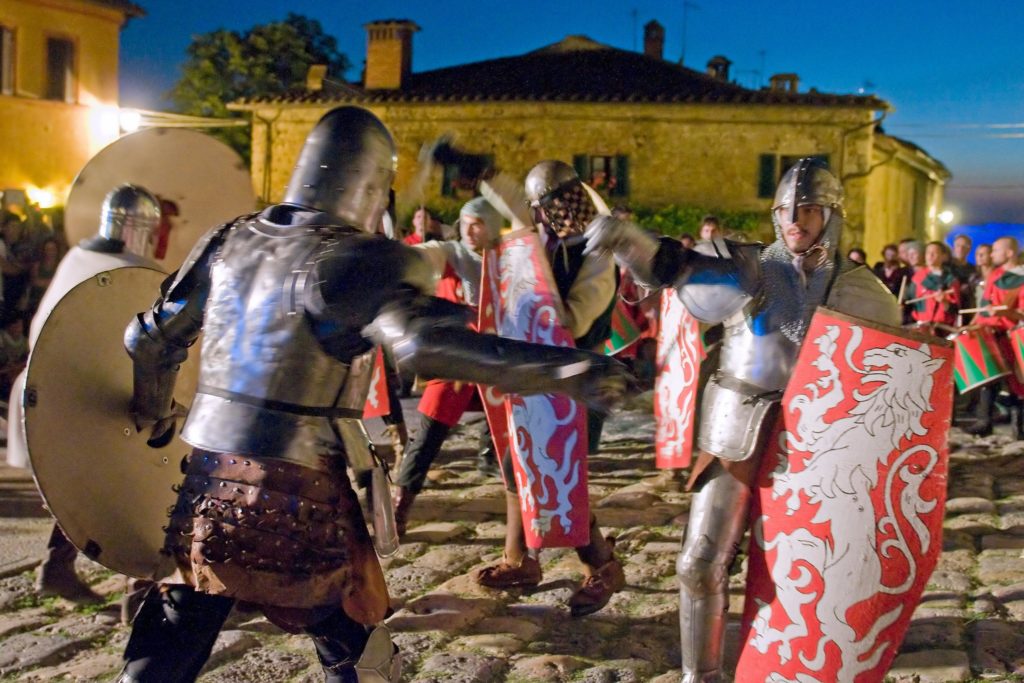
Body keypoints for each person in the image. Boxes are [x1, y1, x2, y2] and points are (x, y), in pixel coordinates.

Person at [117, 107, 627, 682]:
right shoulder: (354, 257)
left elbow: (150, 340)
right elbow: (426, 348)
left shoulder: (230, 239)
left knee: (175, 631)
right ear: (372, 184)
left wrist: (155, 417)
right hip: (297, 492)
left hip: (207, 482)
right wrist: (567, 371)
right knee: (355, 645)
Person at [585, 158, 900, 682]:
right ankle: (701, 675)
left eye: (809, 209)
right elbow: (670, 265)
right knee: (699, 562)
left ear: (831, 216)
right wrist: (625, 239)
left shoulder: (863, 290)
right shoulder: (747, 266)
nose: (795, 220)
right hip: (738, 425)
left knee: (817, 568)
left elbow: (887, 375)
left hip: (822, 438)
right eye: (786, 210)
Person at [472, 159, 625, 618]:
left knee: (557, 476)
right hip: (536, 372)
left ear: (569, 202)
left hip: (579, 377)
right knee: (517, 463)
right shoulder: (544, 240)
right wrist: (476, 168)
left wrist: (533, 291)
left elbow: (573, 318)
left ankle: (602, 565)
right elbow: (513, 207)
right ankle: (520, 559)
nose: (540, 216)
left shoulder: (597, 250)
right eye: (537, 208)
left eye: (548, 206)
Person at [12, 185, 160, 606]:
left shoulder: (77, 256)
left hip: (45, 393)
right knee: (139, 486)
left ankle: (56, 568)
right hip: (84, 403)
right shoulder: (134, 274)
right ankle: (139, 589)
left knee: (80, 490)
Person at [392, 197, 505, 535]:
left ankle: (496, 466)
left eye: (478, 224)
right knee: (427, 433)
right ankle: (400, 505)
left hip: (496, 356)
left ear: (492, 227)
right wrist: (399, 257)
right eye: (466, 223)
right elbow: (426, 254)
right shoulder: (451, 253)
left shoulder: (509, 261)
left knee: (511, 420)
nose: (470, 231)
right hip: (455, 358)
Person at [965, 236, 1024, 437]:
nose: (992, 255)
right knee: (988, 379)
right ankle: (984, 422)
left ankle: (1019, 426)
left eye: (996, 250)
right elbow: (983, 307)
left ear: (1009, 253)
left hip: (1011, 337)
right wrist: (971, 326)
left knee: (1017, 383)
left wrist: (1006, 312)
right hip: (989, 334)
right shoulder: (994, 275)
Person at [905, 240, 960, 331]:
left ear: (943, 256)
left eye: (934, 253)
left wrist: (944, 302)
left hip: (943, 328)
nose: (930, 255)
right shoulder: (917, 278)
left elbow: (955, 310)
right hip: (922, 328)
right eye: (928, 253)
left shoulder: (951, 280)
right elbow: (908, 304)